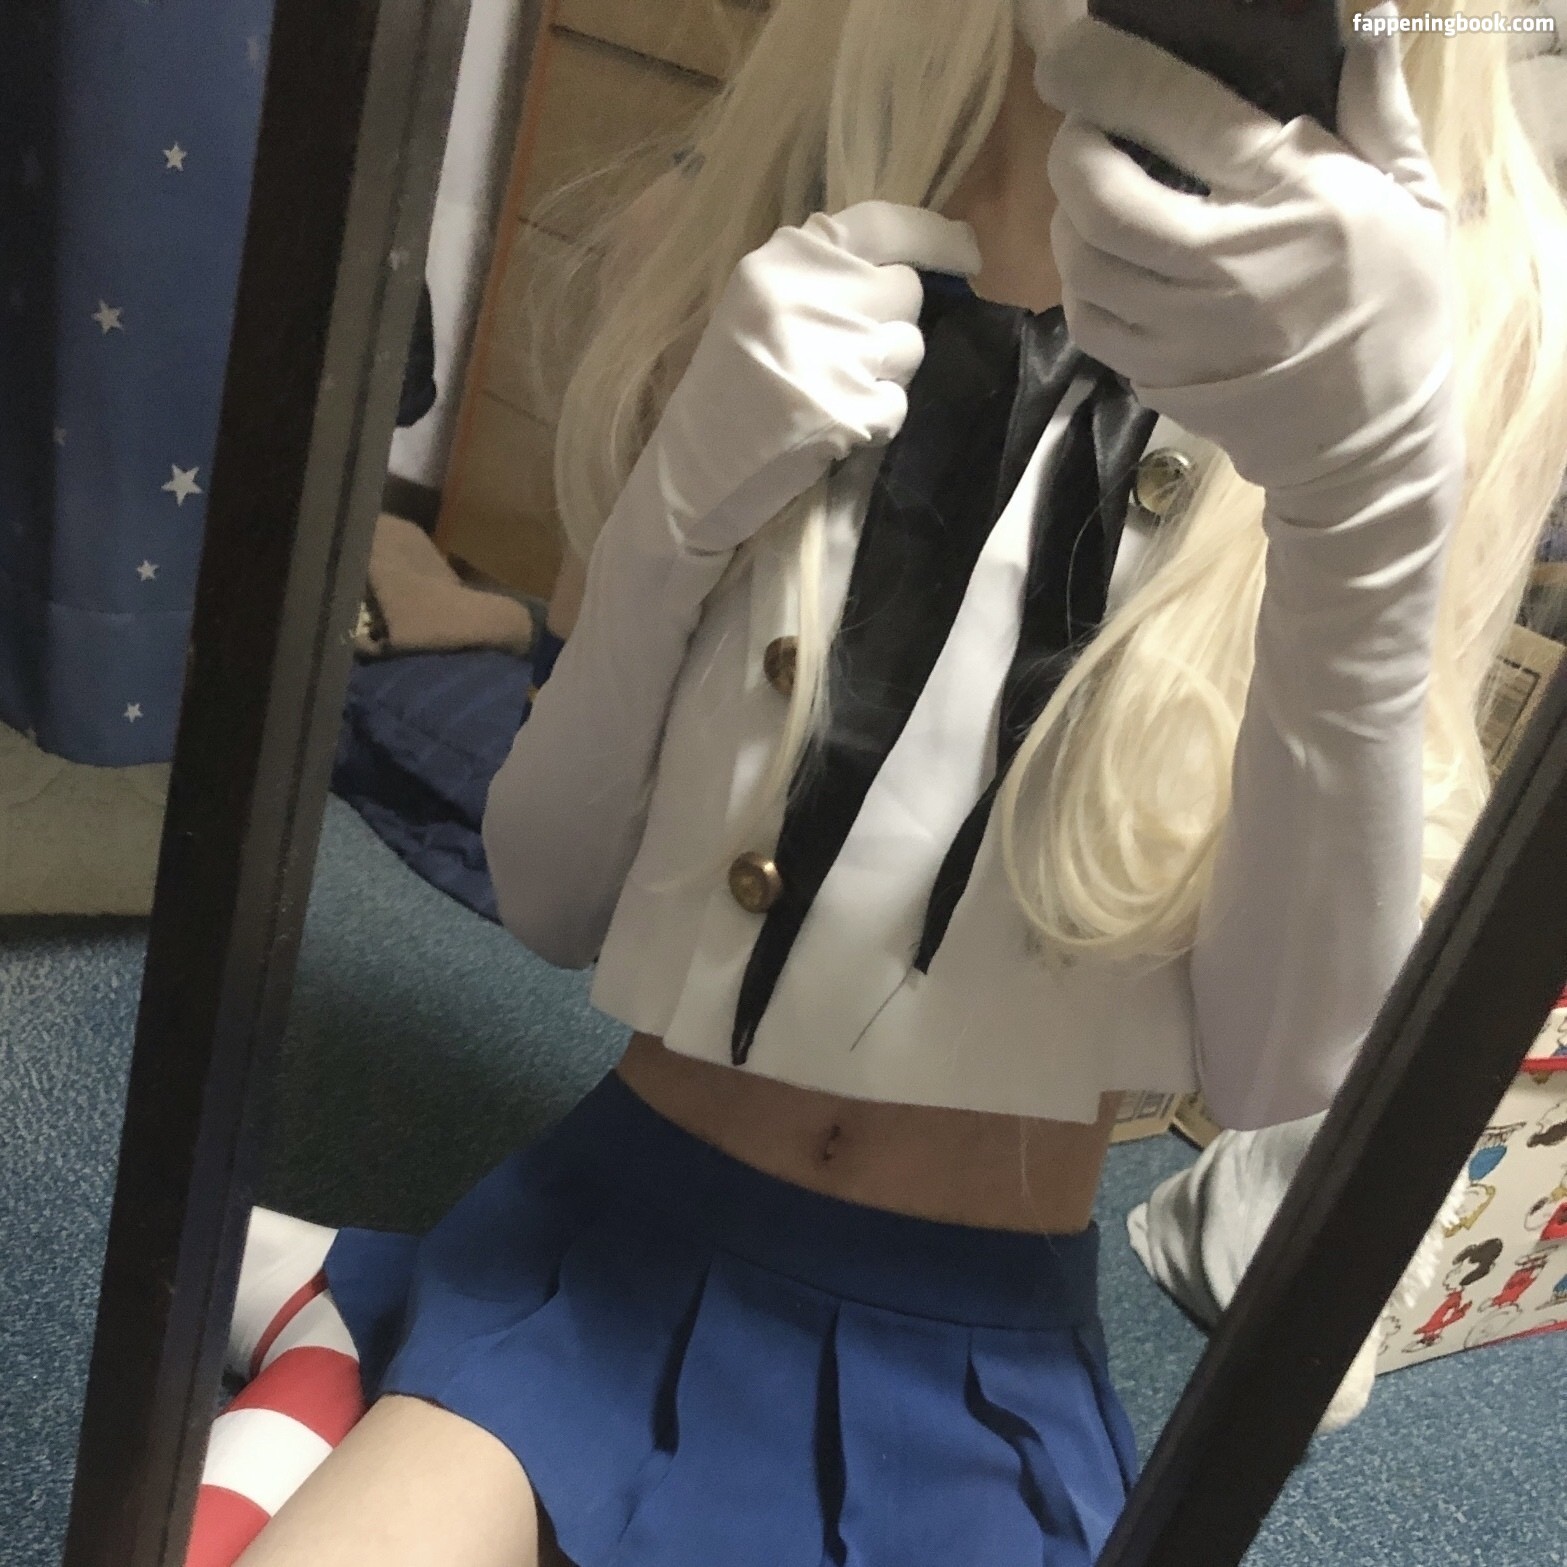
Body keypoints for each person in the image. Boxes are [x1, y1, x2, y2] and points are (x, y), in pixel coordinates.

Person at [210, 2, 1567, 1564]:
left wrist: (1362, 516)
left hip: (971, 1359)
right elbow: (549, 896)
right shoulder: (766, 217)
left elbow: (1280, 1070)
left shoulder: (1464, 335)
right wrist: (671, 521)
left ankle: (339, 1316)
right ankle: (368, 1318)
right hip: (601, 1249)